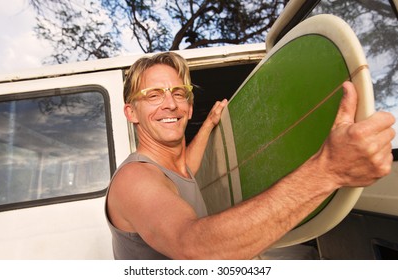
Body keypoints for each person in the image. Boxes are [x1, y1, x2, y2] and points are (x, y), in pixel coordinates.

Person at [105, 52, 395, 260]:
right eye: (153, 95)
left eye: (179, 93)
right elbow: (192, 247)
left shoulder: (173, 167)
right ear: (131, 112)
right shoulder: (135, 178)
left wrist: (208, 124)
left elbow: (186, 166)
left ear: (190, 108)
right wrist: (328, 170)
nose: (170, 104)